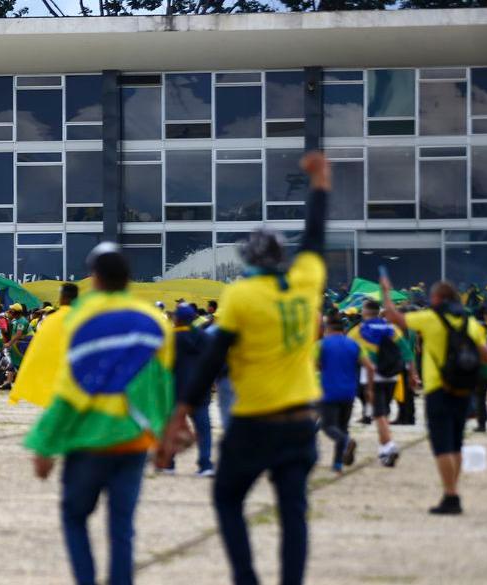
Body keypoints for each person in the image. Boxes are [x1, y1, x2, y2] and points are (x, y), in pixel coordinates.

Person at [160, 151, 332, 585]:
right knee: (294, 512)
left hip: (255, 422)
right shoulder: (307, 282)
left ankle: (246, 578)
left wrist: (180, 414)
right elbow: (314, 239)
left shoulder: (241, 296)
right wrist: (320, 184)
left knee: (227, 498)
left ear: (249, 259)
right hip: (300, 422)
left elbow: (211, 361)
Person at [26, 242, 174, 585]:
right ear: (129, 279)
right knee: (122, 528)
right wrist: (166, 434)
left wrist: (45, 444)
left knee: (74, 517)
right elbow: (162, 386)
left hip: (87, 443)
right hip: (133, 442)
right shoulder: (155, 321)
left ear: (95, 278)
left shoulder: (80, 318)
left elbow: (71, 389)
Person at [381, 277, 487, 515]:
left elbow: (393, 317)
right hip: (463, 389)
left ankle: (451, 496)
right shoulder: (470, 322)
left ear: (436, 299)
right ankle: (453, 489)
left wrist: (386, 292)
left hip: (438, 390)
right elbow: (486, 356)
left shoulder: (431, 318)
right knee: (456, 443)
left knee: (442, 446)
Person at [347, 299, 417, 466]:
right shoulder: (392, 329)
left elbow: (347, 350)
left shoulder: (359, 330)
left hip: (372, 377)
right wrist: (413, 374)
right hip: (392, 376)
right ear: (378, 312)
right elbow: (407, 353)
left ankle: (390, 446)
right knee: (383, 414)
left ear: (365, 312)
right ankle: (384, 450)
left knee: (379, 415)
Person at [156, 303, 213, 476]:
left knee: (171, 428)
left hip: (175, 390)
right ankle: (205, 465)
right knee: (203, 429)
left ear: (177, 318)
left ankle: (169, 464)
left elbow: (161, 366)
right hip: (200, 390)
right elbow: (214, 362)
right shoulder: (205, 338)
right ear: (193, 318)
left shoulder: (169, 338)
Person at [318, 318, 371, 474]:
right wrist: (369, 389)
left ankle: (346, 443)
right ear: (343, 330)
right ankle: (338, 464)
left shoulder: (322, 345)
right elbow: (369, 366)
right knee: (343, 427)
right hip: (349, 392)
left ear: (327, 330)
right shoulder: (354, 344)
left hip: (329, 392)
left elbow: (312, 364)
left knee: (327, 426)